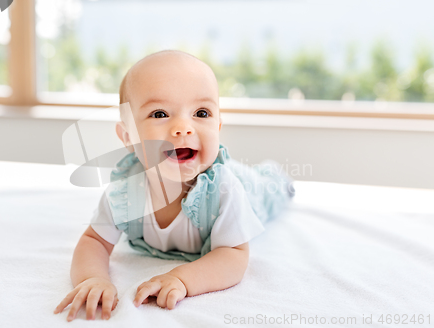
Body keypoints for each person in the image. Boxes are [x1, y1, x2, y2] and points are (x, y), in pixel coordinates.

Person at [54, 49, 295, 321]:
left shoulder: (225, 188)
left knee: (269, 188)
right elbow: (94, 241)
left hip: (250, 189)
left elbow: (233, 256)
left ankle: (278, 177)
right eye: (159, 114)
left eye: (201, 112)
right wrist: (93, 278)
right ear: (128, 136)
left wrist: (182, 279)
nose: (183, 127)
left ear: (217, 127)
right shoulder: (126, 192)